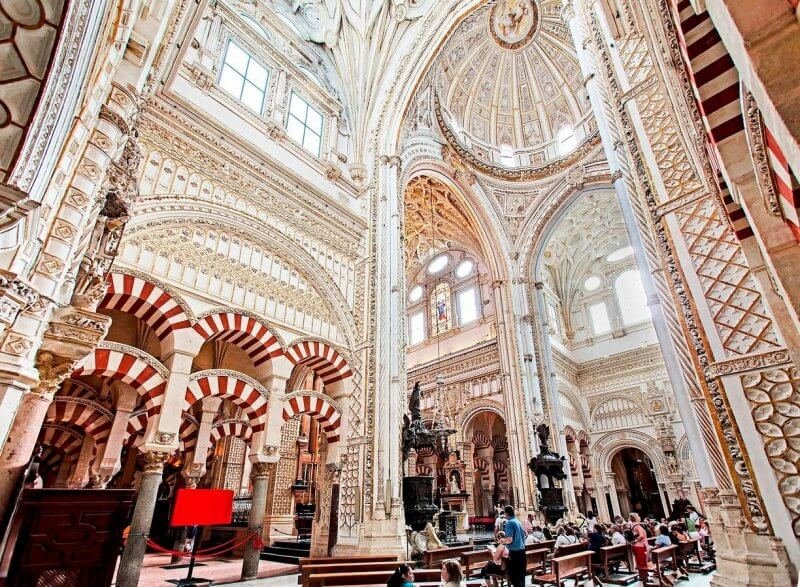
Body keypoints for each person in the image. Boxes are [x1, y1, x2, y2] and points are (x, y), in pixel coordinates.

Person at [501, 506, 526, 587]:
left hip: (514, 553)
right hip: (522, 551)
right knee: (521, 578)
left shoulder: (509, 522)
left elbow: (509, 540)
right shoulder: (518, 521)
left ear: (506, 513)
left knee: (514, 578)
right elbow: (524, 535)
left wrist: (501, 541)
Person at [629, 513, 650, 583]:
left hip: (637, 546)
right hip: (640, 546)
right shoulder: (637, 526)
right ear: (636, 518)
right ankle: (644, 577)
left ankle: (643, 576)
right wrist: (635, 541)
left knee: (640, 561)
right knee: (642, 562)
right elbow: (641, 536)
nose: (639, 517)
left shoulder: (632, 525)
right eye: (638, 516)